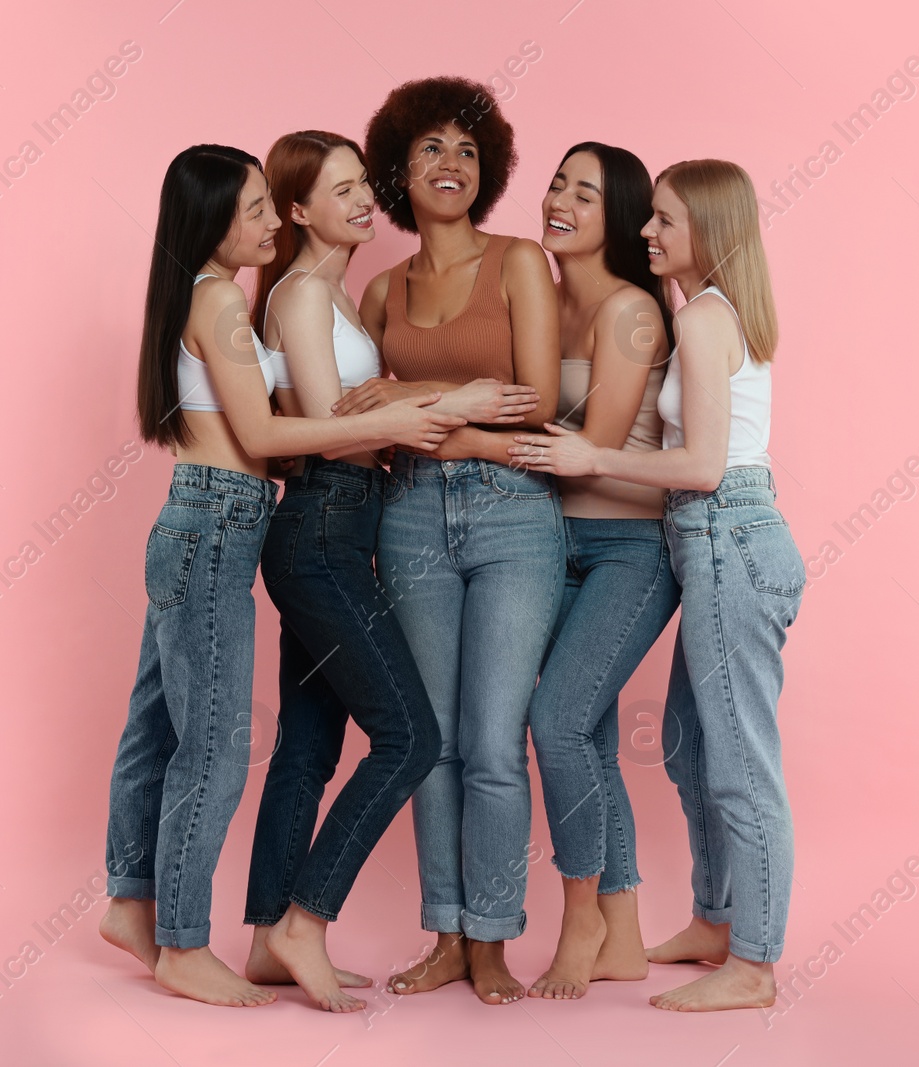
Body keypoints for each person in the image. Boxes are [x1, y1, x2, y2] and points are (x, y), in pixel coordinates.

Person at [98, 143, 463, 1008]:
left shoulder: (207, 297)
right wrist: (407, 417)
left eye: (271, 205)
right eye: (255, 208)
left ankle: (131, 900)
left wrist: (389, 410)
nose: (269, 221)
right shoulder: (220, 298)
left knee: (156, 729)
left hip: (209, 518)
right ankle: (182, 943)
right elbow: (263, 439)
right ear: (210, 220)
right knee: (216, 746)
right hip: (216, 522)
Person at [241, 130, 533, 1013]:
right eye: (342, 191)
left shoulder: (334, 292)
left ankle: (263, 940)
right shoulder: (299, 294)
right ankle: (304, 920)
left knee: (306, 745)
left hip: (341, 525)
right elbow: (338, 421)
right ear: (299, 211)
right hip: (326, 526)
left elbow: (357, 406)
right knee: (409, 737)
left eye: (366, 185)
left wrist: (411, 401)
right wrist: (457, 400)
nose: (366, 201)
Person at [511, 158, 805, 1012]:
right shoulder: (706, 315)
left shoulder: (706, 321)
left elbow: (708, 466)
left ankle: (753, 963)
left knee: (740, 762)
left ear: (707, 232)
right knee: (689, 745)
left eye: (665, 221)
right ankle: (716, 921)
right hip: (710, 539)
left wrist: (593, 455)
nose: (648, 232)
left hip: (729, 536)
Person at [333, 76, 564, 1005]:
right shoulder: (382, 288)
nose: (452, 164)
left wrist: (412, 404)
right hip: (413, 511)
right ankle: (447, 933)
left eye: (468, 150)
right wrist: (419, 412)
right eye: (431, 147)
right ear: (398, 167)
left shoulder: (518, 265)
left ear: (490, 169)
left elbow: (539, 405)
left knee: (495, 741)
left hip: (515, 512)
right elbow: (351, 412)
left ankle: (496, 938)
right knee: (430, 742)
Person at [522, 143, 677, 1001]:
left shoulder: (629, 312)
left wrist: (467, 431)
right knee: (591, 739)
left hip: (632, 548)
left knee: (557, 718)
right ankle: (623, 930)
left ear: (616, 217)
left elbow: (593, 453)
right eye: (556, 183)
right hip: (553, 544)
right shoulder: (539, 300)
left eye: (586, 193)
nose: (561, 201)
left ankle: (579, 913)